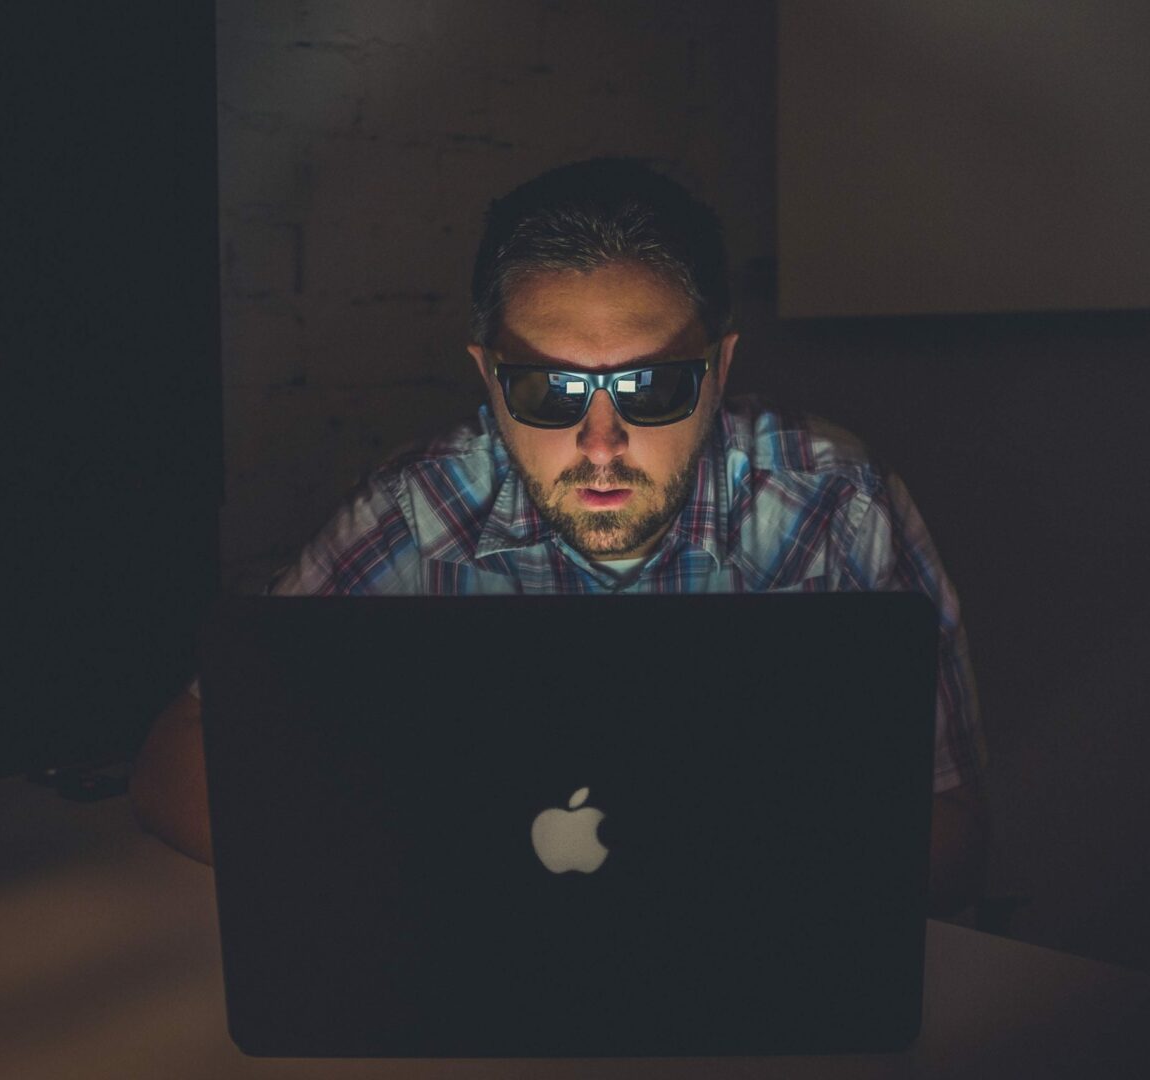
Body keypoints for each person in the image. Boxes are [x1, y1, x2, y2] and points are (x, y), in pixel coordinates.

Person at [132, 158, 989, 914]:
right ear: (489, 380)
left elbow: (948, 824)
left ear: (720, 370)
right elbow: (180, 758)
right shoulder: (417, 510)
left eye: (651, 385)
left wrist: (726, 909)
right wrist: (407, 876)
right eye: (549, 390)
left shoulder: (839, 505)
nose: (601, 443)